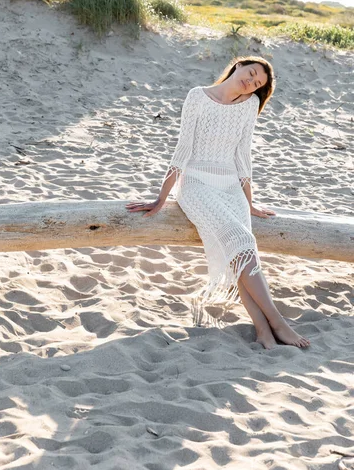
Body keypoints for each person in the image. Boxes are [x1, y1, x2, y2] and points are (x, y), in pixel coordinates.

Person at [126, 56, 310, 350]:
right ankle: (277, 322)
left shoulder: (249, 105)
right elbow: (183, 149)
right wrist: (162, 196)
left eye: (257, 83)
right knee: (239, 240)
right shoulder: (197, 97)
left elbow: (242, 156)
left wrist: (249, 202)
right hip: (196, 184)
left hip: (231, 187)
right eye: (250, 74)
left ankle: (263, 330)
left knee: (241, 250)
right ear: (237, 66)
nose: (251, 82)